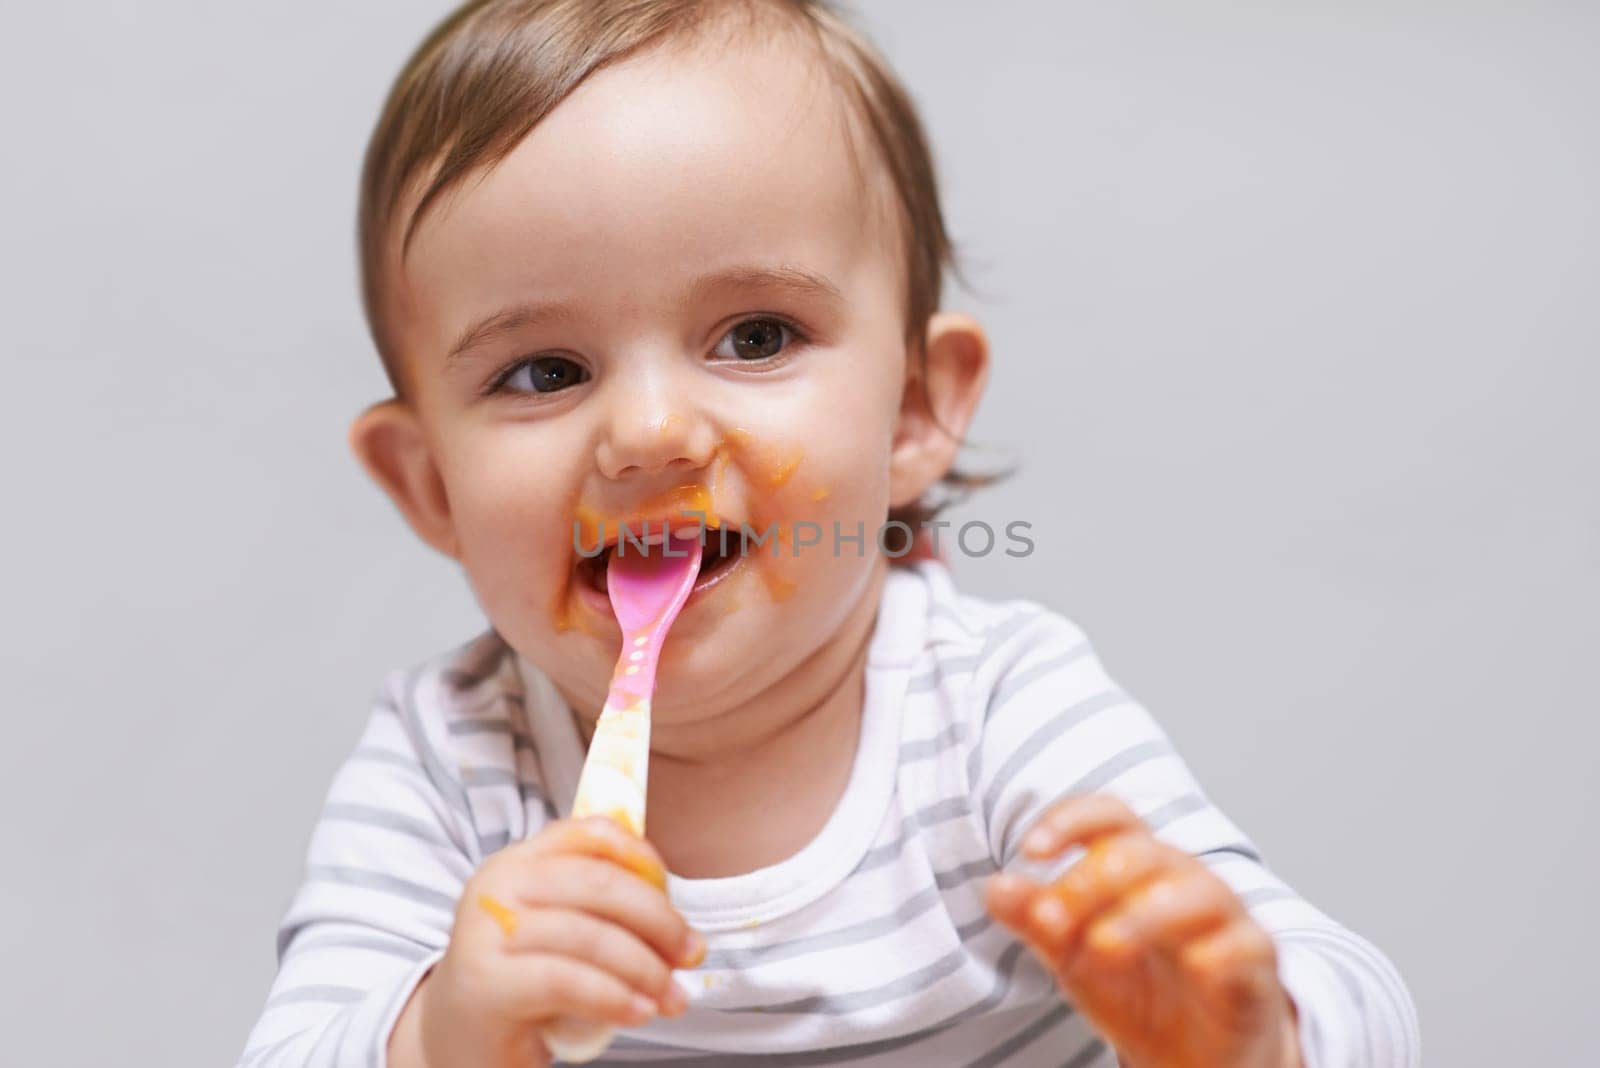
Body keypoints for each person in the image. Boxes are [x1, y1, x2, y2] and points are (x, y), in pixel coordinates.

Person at [239, 2, 1420, 1065]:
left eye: (754, 337)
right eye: (543, 370)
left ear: (915, 408)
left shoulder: (991, 708)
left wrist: (1250, 1032)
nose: (649, 433)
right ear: (429, 483)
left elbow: (1358, 998)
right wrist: (440, 1035)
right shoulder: (454, 763)